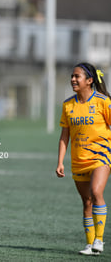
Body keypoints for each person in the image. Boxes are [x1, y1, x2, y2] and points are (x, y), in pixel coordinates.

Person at [56, 62, 110, 256]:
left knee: (96, 193)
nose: (73, 79)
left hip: (101, 156)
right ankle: (90, 245)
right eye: (72, 76)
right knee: (86, 202)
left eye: (77, 76)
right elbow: (64, 136)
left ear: (89, 81)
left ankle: (99, 240)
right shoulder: (68, 105)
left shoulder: (103, 102)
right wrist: (60, 161)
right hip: (79, 159)